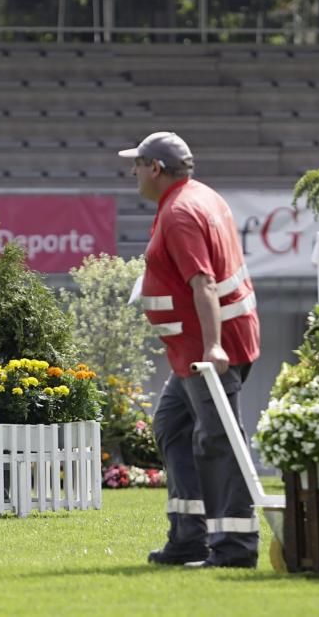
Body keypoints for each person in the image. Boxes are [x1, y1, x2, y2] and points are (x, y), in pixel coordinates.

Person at [118, 131, 261, 569]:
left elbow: (204, 283)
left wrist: (215, 346)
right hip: (193, 351)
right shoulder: (198, 197)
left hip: (208, 351)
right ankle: (188, 537)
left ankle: (234, 547)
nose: (133, 172)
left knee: (218, 440)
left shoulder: (180, 213)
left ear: (156, 168)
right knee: (171, 427)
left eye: (137, 164)